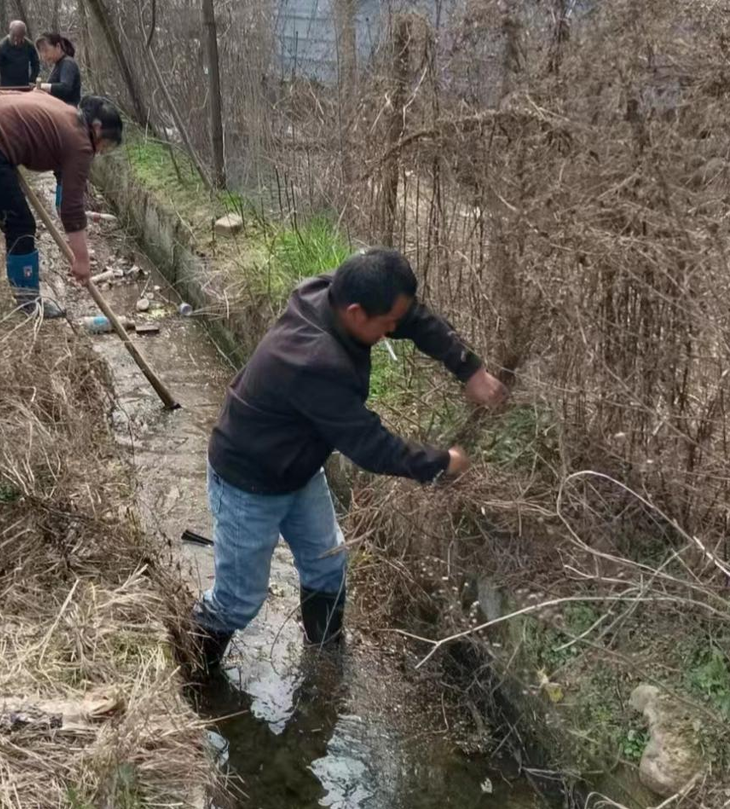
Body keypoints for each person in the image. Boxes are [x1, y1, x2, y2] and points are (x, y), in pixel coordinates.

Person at [191, 248, 507, 669]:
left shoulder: (330, 293)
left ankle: (325, 661)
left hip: (297, 467)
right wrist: (442, 462)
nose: (395, 329)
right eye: (387, 324)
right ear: (357, 313)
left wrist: (469, 369)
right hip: (248, 481)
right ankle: (193, 672)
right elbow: (370, 446)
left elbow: (411, 317)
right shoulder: (313, 361)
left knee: (327, 568)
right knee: (238, 602)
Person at [0, 94, 123, 318]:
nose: (99, 152)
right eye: (105, 145)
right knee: (20, 225)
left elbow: (66, 187)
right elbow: (72, 209)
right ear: (97, 127)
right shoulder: (80, 141)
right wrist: (81, 260)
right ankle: (29, 305)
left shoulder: (64, 111)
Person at [35, 32, 82, 212]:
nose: (44, 56)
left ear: (58, 47)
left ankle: (66, 205)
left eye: (46, 51)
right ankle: (62, 204)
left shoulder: (68, 64)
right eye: (41, 52)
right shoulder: (58, 65)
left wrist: (46, 87)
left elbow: (66, 88)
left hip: (67, 120)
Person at [0, 20, 39, 88]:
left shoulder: (29, 46)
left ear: (23, 36)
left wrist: (32, 79)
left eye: (19, 37)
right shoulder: (2, 47)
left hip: (24, 86)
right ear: (9, 32)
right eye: (13, 36)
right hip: (6, 86)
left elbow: (35, 64)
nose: (15, 39)